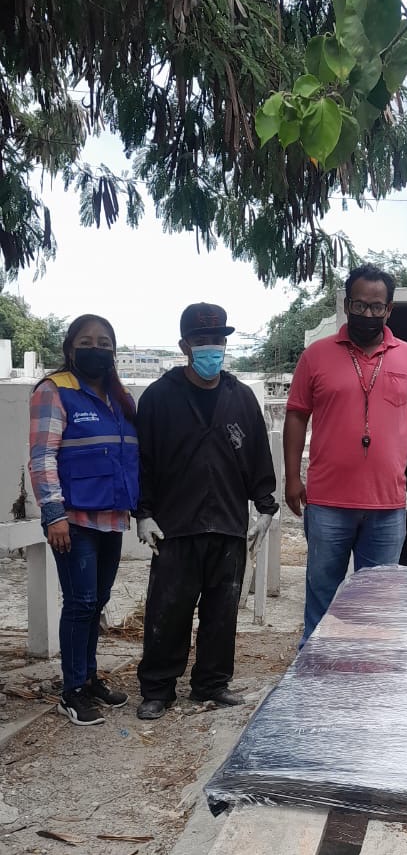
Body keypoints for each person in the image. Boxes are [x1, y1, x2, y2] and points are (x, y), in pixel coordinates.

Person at [135, 302, 278, 721]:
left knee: (222, 610)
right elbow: (143, 460)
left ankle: (211, 684)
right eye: (202, 340)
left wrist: (265, 507)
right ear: (185, 346)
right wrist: (143, 512)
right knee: (168, 611)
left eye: (217, 339)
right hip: (175, 525)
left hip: (228, 523)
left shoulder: (241, 397)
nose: (211, 348)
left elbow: (257, 456)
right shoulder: (159, 398)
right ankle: (158, 688)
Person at [284, 263, 407, 642]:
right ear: (346, 305)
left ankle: (369, 671)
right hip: (327, 503)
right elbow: (296, 416)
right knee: (322, 597)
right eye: (359, 305)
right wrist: (291, 478)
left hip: (386, 506)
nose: (367, 314)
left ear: (389, 309)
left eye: (376, 307)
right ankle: (314, 667)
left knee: (377, 605)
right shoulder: (316, 356)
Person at [29, 315, 139, 725]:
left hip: (111, 517)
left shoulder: (120, 398)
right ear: (70, 349)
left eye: (105, 343)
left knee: (98, 602)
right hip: (73, 519)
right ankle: (72, 690)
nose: (97, 349)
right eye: (87, 341)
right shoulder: (54, 391)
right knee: (80, 603)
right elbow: (42, 457)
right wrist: (53, 514)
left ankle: (89, 679)